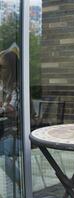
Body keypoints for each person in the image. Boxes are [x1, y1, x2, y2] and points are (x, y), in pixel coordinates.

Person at [0, 46, 21, 186]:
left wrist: (3, 107)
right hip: (5, 132)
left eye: (2, 67)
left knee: (1, 154)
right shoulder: (3, 87)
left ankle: (20, 182)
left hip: (17, 135)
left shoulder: (18, 89)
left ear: (12, 69)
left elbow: (12, 111)